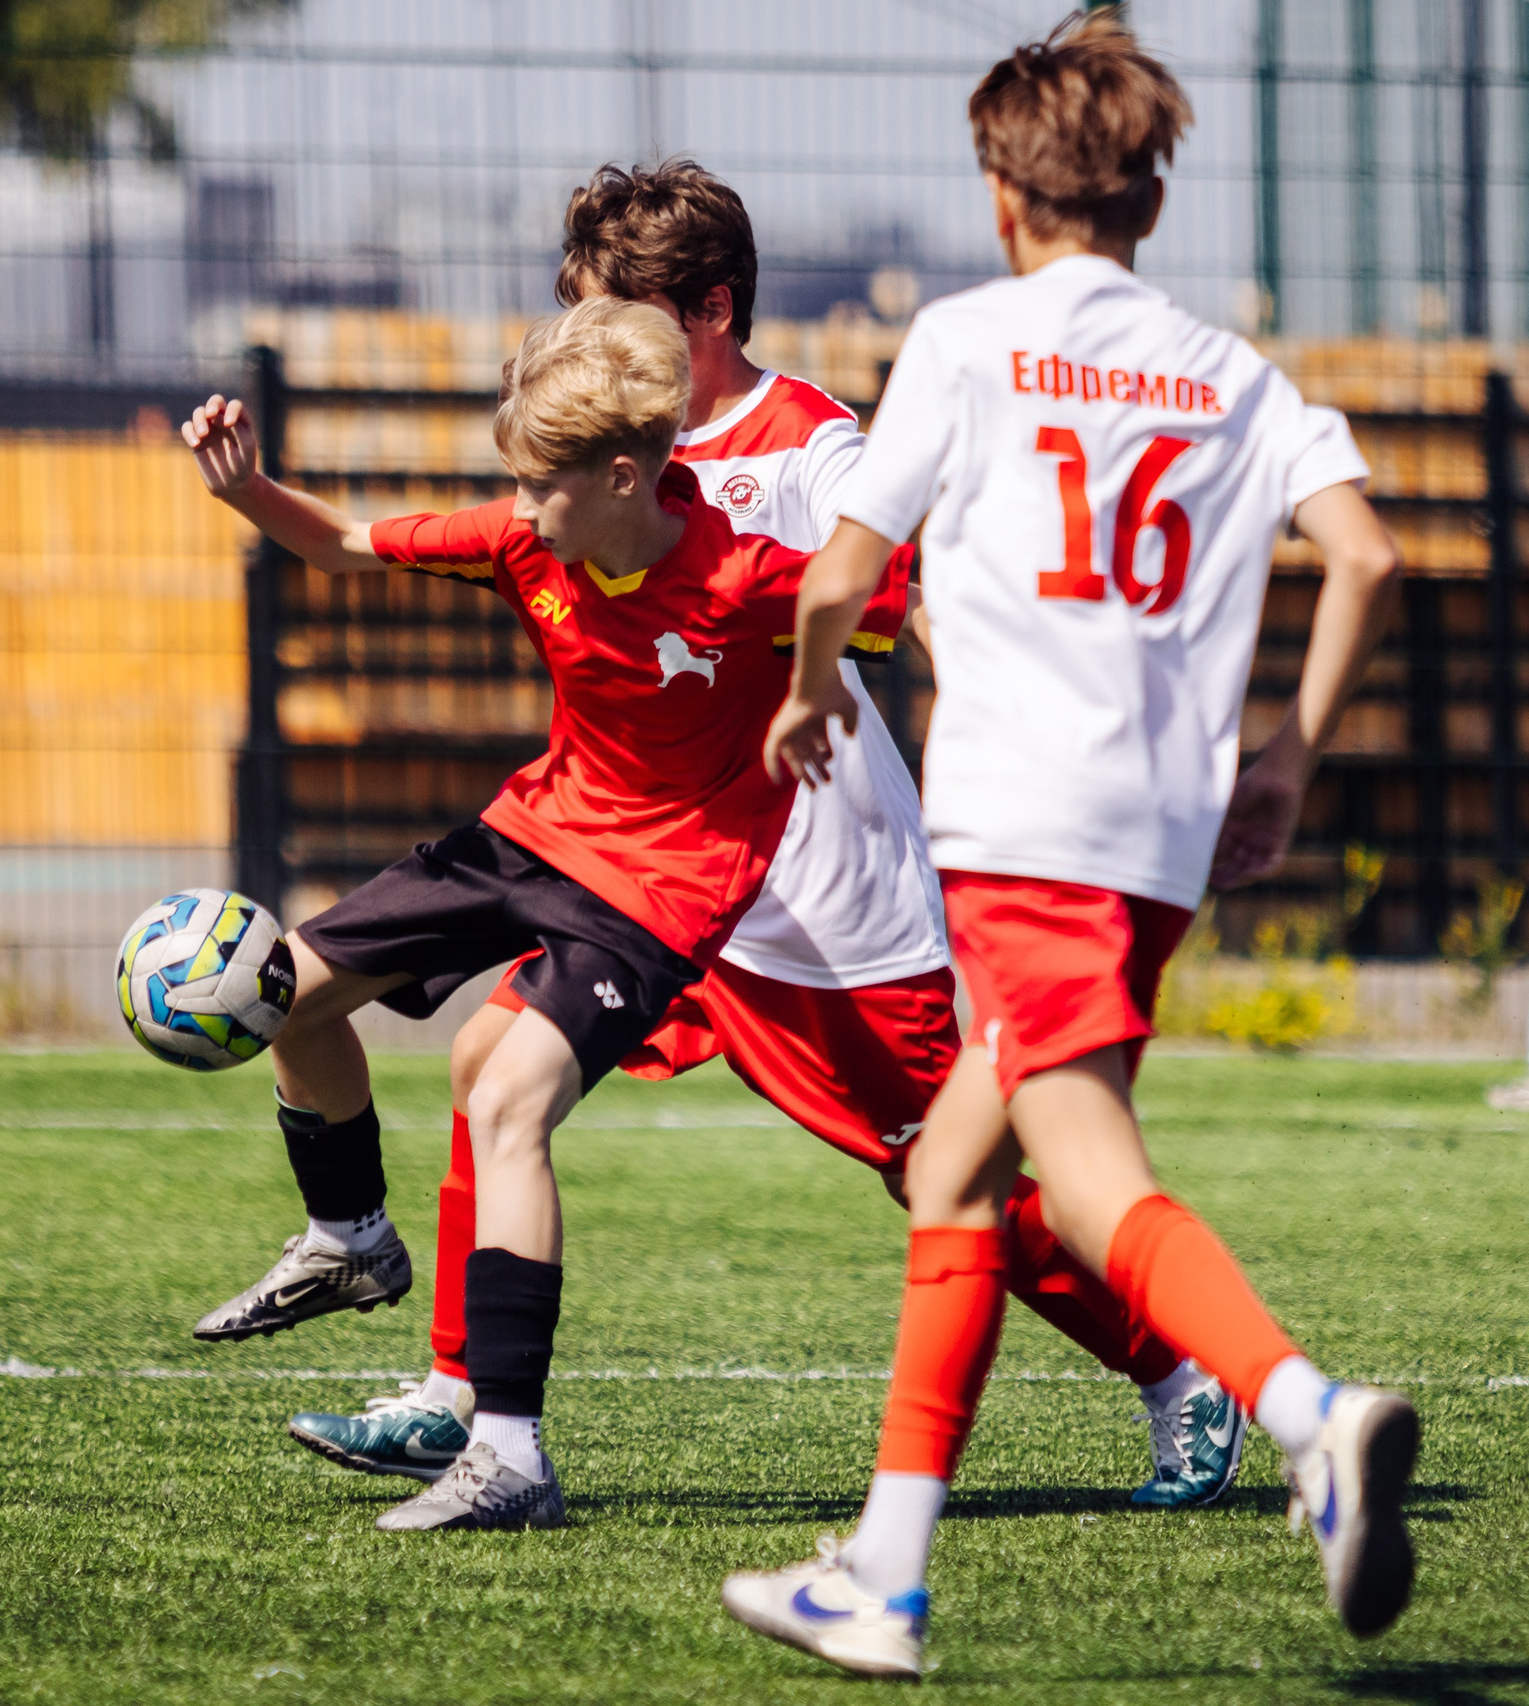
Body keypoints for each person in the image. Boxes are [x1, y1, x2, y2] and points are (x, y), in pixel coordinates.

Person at [249, 161, 1249, 1511]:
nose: (587, 337)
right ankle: (463, 1404)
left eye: (616, 310)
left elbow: (930, 596)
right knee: (496, 1064)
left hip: (821, 905)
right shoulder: (604, 454)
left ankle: (1183, 1371)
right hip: (647, 882)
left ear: (709, 313)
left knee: (944, 1172)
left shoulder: (819, 453)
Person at [721, 14, 1416, 1678]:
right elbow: (1370, 558)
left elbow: (837, 572)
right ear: (1152, 203)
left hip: (1023, 823)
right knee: (955, 1173)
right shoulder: (1230, 370)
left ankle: (1309, 1410)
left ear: (1000, 194)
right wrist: (1294, 754)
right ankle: (883, 1574)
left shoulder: (969, 341)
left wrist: (813, 694)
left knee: (1088, 1167)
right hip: (1161, 836)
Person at [181, 296, 902, 1530]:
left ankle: (507, 1451)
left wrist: (816, 680)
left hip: (663, 890)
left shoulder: (745, 574)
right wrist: (247, 491)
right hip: (533, 833)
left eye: (540, 486)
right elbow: (349, 544)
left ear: (625, 475)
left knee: (507, 1094)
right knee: (280, 992)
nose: (519, 508)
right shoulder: (527, 540)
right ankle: (351, 1233)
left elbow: (886, 591)